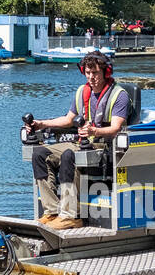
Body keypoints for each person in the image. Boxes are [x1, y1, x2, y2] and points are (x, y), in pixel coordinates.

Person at [25, 51, 129, 230]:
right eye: (87, 73)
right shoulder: (82, 92)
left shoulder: (120, 95)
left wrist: (94, 130)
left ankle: (71, 215)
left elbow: (116, 128)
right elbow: (67, 119)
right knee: (40, 154)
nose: (91, 77)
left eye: (95, 73)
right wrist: (40, 124)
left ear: (106, 72)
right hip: (80, 142)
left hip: (103, 146)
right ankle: (51, 211)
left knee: (68, 155)